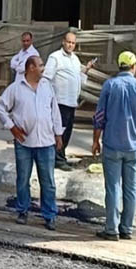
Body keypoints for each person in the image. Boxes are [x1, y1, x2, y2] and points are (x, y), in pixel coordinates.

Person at [91, 51, 136, 241]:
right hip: (133, 147)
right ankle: (127, 228)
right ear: (134, 67)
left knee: (113, 188)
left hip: (112, 145)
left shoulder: (110, 85)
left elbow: (99, 117)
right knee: (131, 189)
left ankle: (111, 229)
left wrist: (95, 141)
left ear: (119, 66)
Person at [0, 55, 63, 231]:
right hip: (24, 142)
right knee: (23, 179)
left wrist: (58, 134)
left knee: (48, 181)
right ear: (31, 68)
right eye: (40, 65)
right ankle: (22, 211)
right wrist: (12, 127)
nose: (43, 68)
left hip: (46, 141)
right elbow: (0, 107)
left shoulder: (47, 86)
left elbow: (55, 111)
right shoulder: (16, 88)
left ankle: (50, 215)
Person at [43, 31, 95, 170]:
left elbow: (78, 79)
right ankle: (57, 159)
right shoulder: (55, 57)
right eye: (68, 42)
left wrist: (86, 70)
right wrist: (47, 100)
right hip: (60, 102)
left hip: (71, 102)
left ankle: (61, 156)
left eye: (73, 43)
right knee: (59, 132)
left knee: (67, 132)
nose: (70, 45)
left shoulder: (75, 59)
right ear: (63, 42)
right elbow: (46, 79)